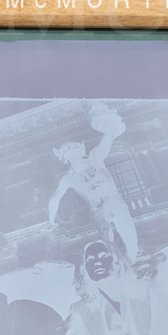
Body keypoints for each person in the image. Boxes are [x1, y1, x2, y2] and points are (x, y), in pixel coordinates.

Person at [48, 105, 140, 259]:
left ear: (81, 151)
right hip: (97, 208)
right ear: (65, 158)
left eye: (75, 151)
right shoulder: (68, 179)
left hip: (115, 202)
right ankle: (112, 259)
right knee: (106, 234)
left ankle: (131, 258)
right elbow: (54, 199)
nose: (74, 155)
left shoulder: (95, 159)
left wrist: (108, 126)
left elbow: (106, 141)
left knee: (128, 235)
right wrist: (51, 221)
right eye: (69, 154)